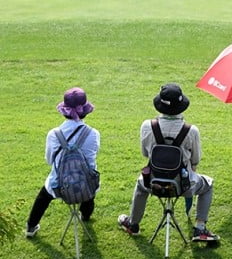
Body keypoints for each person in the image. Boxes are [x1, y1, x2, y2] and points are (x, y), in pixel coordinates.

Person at [118, 83, 219, 245]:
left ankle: (133, 223)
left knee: (140, 186)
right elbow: (195, 160)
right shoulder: (191, 130)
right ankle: (200, 228)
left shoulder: (147, 126)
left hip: (153, 183)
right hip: (183, 186)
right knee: (208, 185)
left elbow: (145, 154)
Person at [26, 87, 100, 238]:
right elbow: (92, 159)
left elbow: (49, 160)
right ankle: (85, 216)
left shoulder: (54, 134)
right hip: (85, 185)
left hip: (59, 185)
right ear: (84, 110)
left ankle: (31, 227)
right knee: (91, 185)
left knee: (43, 197)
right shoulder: (93, 133)